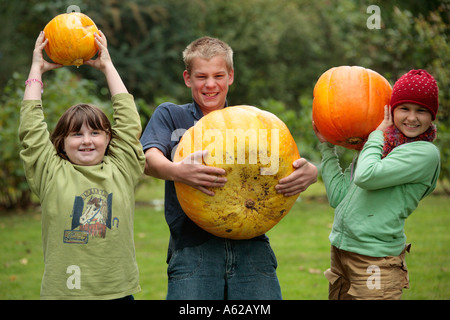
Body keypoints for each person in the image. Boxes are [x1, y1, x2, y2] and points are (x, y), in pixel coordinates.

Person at [140, 36, 318, 300]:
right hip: (192, 249)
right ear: (188, 78)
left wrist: (310, 172)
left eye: (218, 75)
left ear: (231, 76)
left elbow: (280, 163)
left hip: (252, 246)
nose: (210, 84)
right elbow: (148, 159)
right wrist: (178, 172)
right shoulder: (171, 115)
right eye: (201, 76)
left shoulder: (250, 122)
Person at [19, 31, 145, 299]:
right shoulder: (51, 173)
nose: (86, 141)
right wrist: (36, 69)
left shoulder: (122, 167)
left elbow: (128, 119)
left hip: (117, 293)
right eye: (76, 134)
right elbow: (31, 127)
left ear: (108, 137)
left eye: (95, 132)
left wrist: (107, 65)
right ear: (61, 143)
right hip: (64, 294)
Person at [314, 69, 441, 300]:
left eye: (421, 111)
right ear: (392, 110)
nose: (412, 118)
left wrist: (375, 136)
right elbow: (338, 196)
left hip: (375, 259)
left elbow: (366, 177)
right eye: (405, 109)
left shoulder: (424, 154)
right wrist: (327, 147)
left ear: (432, 116)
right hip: (342, 252)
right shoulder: (379, 147)